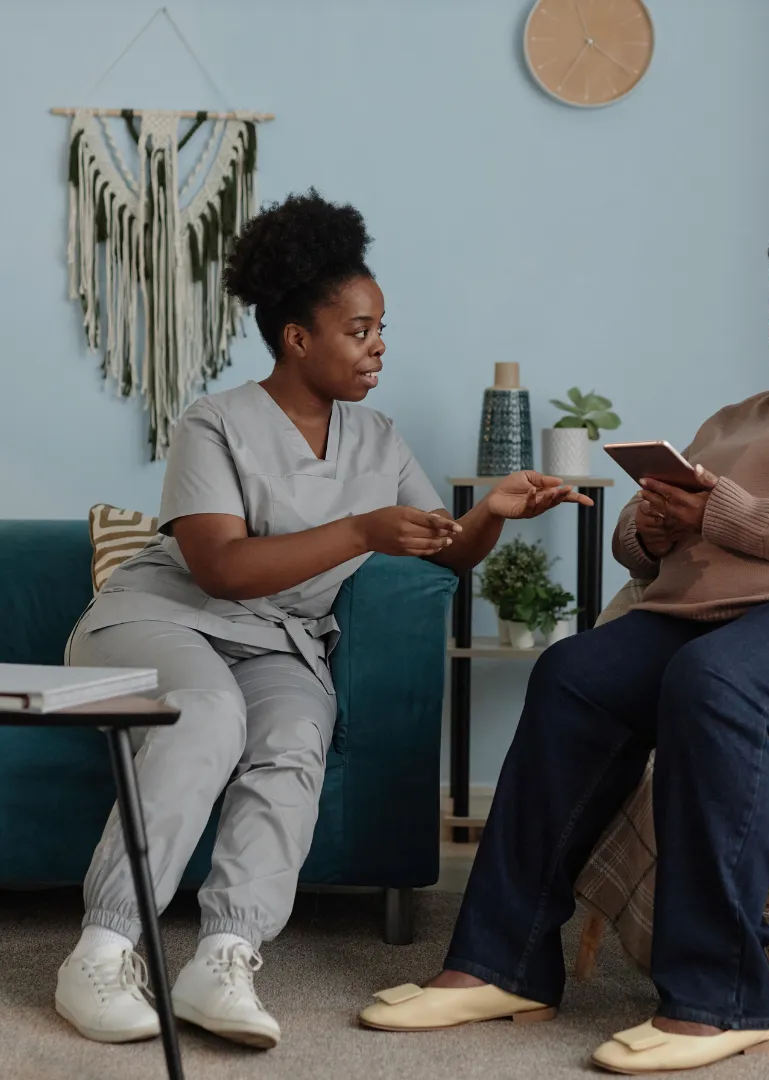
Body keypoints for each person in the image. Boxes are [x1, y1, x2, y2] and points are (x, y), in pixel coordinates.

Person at [358, 205, 769, 1074]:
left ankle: (722, 996)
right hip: (727, 612)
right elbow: (645, 539)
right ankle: (500, 961)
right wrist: (658, 527)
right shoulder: (747, 415)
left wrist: (732, 513)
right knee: (575, 672)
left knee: (717, 686)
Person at [55, 190, 589, 1049]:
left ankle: (223, 955)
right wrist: (358, 529)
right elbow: (221, 569)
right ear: (298, 337)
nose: (380, 345)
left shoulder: (378, 438)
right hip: (164, 620)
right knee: (210, 711)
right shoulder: (215, 423)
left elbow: (446, 551)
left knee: (298, 733)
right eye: (361, 329)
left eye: (381, 328)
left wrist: (490, 511)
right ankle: (103, 949)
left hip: (279, 644)